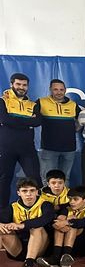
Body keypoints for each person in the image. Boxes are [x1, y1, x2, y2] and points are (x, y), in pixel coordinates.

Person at [0, 178, 54, 267]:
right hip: (18, 249)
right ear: (18, 193)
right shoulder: (12, 207)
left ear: (37, 192)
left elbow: (46, 219)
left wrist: (22, 225)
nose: (28, 194)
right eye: (24, 191)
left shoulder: (46, 205)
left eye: (32, 191)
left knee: (36, 227)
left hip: (41, 249)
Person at [0, 73, 40, 208]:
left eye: (24, 85)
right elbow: (4, 120)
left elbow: (37, 122)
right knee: (4, 180)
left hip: (27, 149)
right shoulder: (2, 101)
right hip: (6, 148)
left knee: (35, 179)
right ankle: (2, 213)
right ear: (12, 84)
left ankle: (36, 212)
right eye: (18, 84)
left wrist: (14, 122)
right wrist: (28, 121)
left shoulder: (33, 104)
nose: (21, 87)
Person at [37, 185, 85, 267]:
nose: (72, 202)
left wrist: (67, 222)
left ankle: (65, 256)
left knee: (72, 223)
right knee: (60, 220)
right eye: (70, 199)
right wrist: (60, 223)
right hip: (67, 243)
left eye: (75, 199)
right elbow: (57, 221)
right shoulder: (67, 208)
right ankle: (57, 256)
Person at [35, 79, 79, 183]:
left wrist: (73, 129)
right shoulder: (41, 102)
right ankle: (47, 200)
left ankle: (63, 200)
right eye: (55, 89)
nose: (59, 92)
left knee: (65, 178)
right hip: (49, 148)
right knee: (48, 179)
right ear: (50, 90)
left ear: (65, 90)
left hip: (69, 149)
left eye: (61, 89)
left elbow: (81, 121)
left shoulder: (73, 105)